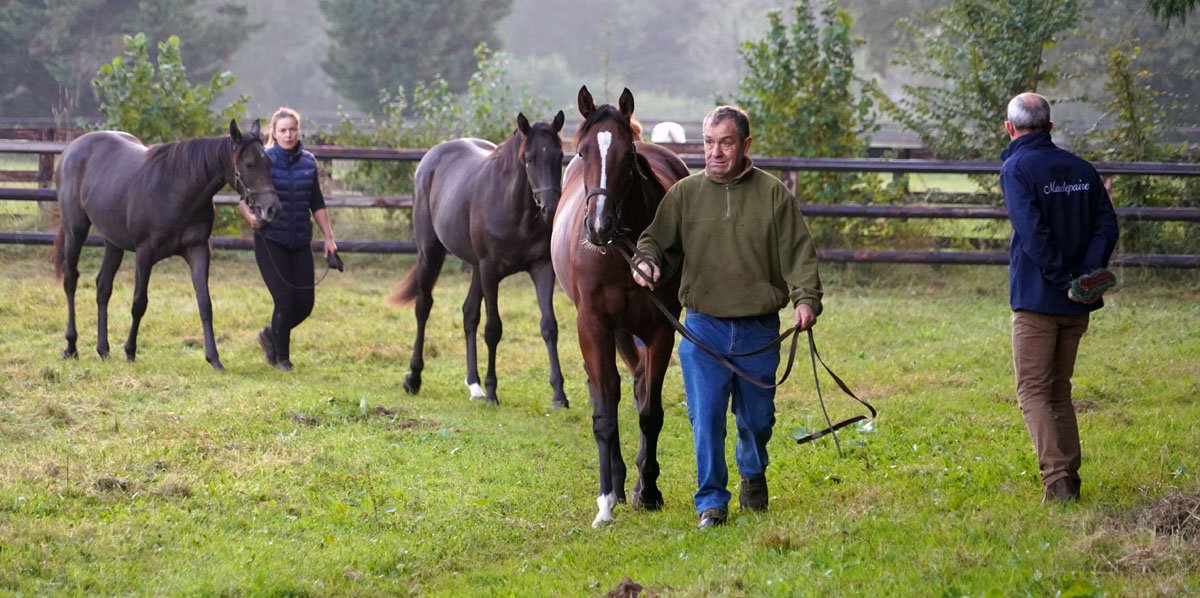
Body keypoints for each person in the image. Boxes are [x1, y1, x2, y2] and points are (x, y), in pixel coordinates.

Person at [634, 105, 823, 529]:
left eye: (726, 143)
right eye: (709, 142)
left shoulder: (774, 195)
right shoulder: (684, 194)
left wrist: (806, 300)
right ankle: (711, 502)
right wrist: (646, 261)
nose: (715, 152)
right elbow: (654, 242)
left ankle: (752, 472)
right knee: (706, 418)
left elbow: (799, 254)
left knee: (757, 421)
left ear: (745, 145)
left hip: (759, 329)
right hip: (703, 328)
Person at [1000, 92, 1119, 503]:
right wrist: (1086, 276)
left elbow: (1032, 233)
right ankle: (1070, 475)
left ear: (1010, 128)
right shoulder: (1082, 169)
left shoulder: (1016, 168)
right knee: (1058, 389)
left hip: (1037, 299)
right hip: (1076, 303)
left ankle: (1057, 481)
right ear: (1049, 127)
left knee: (1032, 391)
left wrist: (1063, 278)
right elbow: (1107, 225)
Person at [239, 107, 337, 372]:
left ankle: (270, 335)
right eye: (283, 130)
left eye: (292, 129)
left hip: (300, 240)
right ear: (274, 132)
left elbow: (317, 202)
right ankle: (281, 358)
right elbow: (243, 199)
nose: (288, 134)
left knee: (305, 305)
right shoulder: (264, 159)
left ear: (298, 131)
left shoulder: (308, 162)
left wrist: (329, 237)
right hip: (270, 240)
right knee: (284, 299)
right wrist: (251, 217)